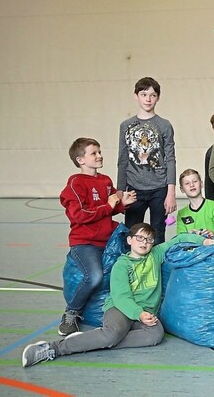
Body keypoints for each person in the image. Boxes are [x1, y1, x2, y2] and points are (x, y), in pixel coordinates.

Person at [22, 223, 213, 368]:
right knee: (112, 334)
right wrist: (139, 314)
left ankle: (96, 339)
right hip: (120, 308)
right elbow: (121, 297)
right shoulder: (121, 265)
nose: (144, 243)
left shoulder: (155, 254)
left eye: (148, 240)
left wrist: (204, 241)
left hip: (144, 313)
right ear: (129, 240)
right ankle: (53, 348)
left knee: (155, 335)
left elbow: (178, 240)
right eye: (140, 238)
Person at [59, 137, 137, 336]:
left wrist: (122, 204)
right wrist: (109, 205)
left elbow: (110, 209)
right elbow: (79, 215)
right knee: (94, 276)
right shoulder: (76, 183)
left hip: (108, 240)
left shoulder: (105, 180)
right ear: (80, 160)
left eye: (100, 151)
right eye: (94, 153)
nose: (100, 155)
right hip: (85, 243)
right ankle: (71, 313)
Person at [117, 77, 176, 246]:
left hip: (159, 188)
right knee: (133, 233)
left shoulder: (164, 125)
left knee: (158, 233)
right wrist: (120, 190)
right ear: (136, 96)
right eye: (144, 94)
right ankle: (133, 269)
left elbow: (170, 158)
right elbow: (122, 159)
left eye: (152, 95)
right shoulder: (126, 125)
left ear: (158, 97)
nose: (148, 99)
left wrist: (170, 193)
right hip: (134, 189)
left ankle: (156, 270)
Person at [176, 169, 214, 237]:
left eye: (195, 181)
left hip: (213, 245)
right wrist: (191, 235)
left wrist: (213, 233)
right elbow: (181, 237)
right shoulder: (181, 214)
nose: (192, 185)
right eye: (187, 183)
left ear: (201, 184)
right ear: (182, 189)